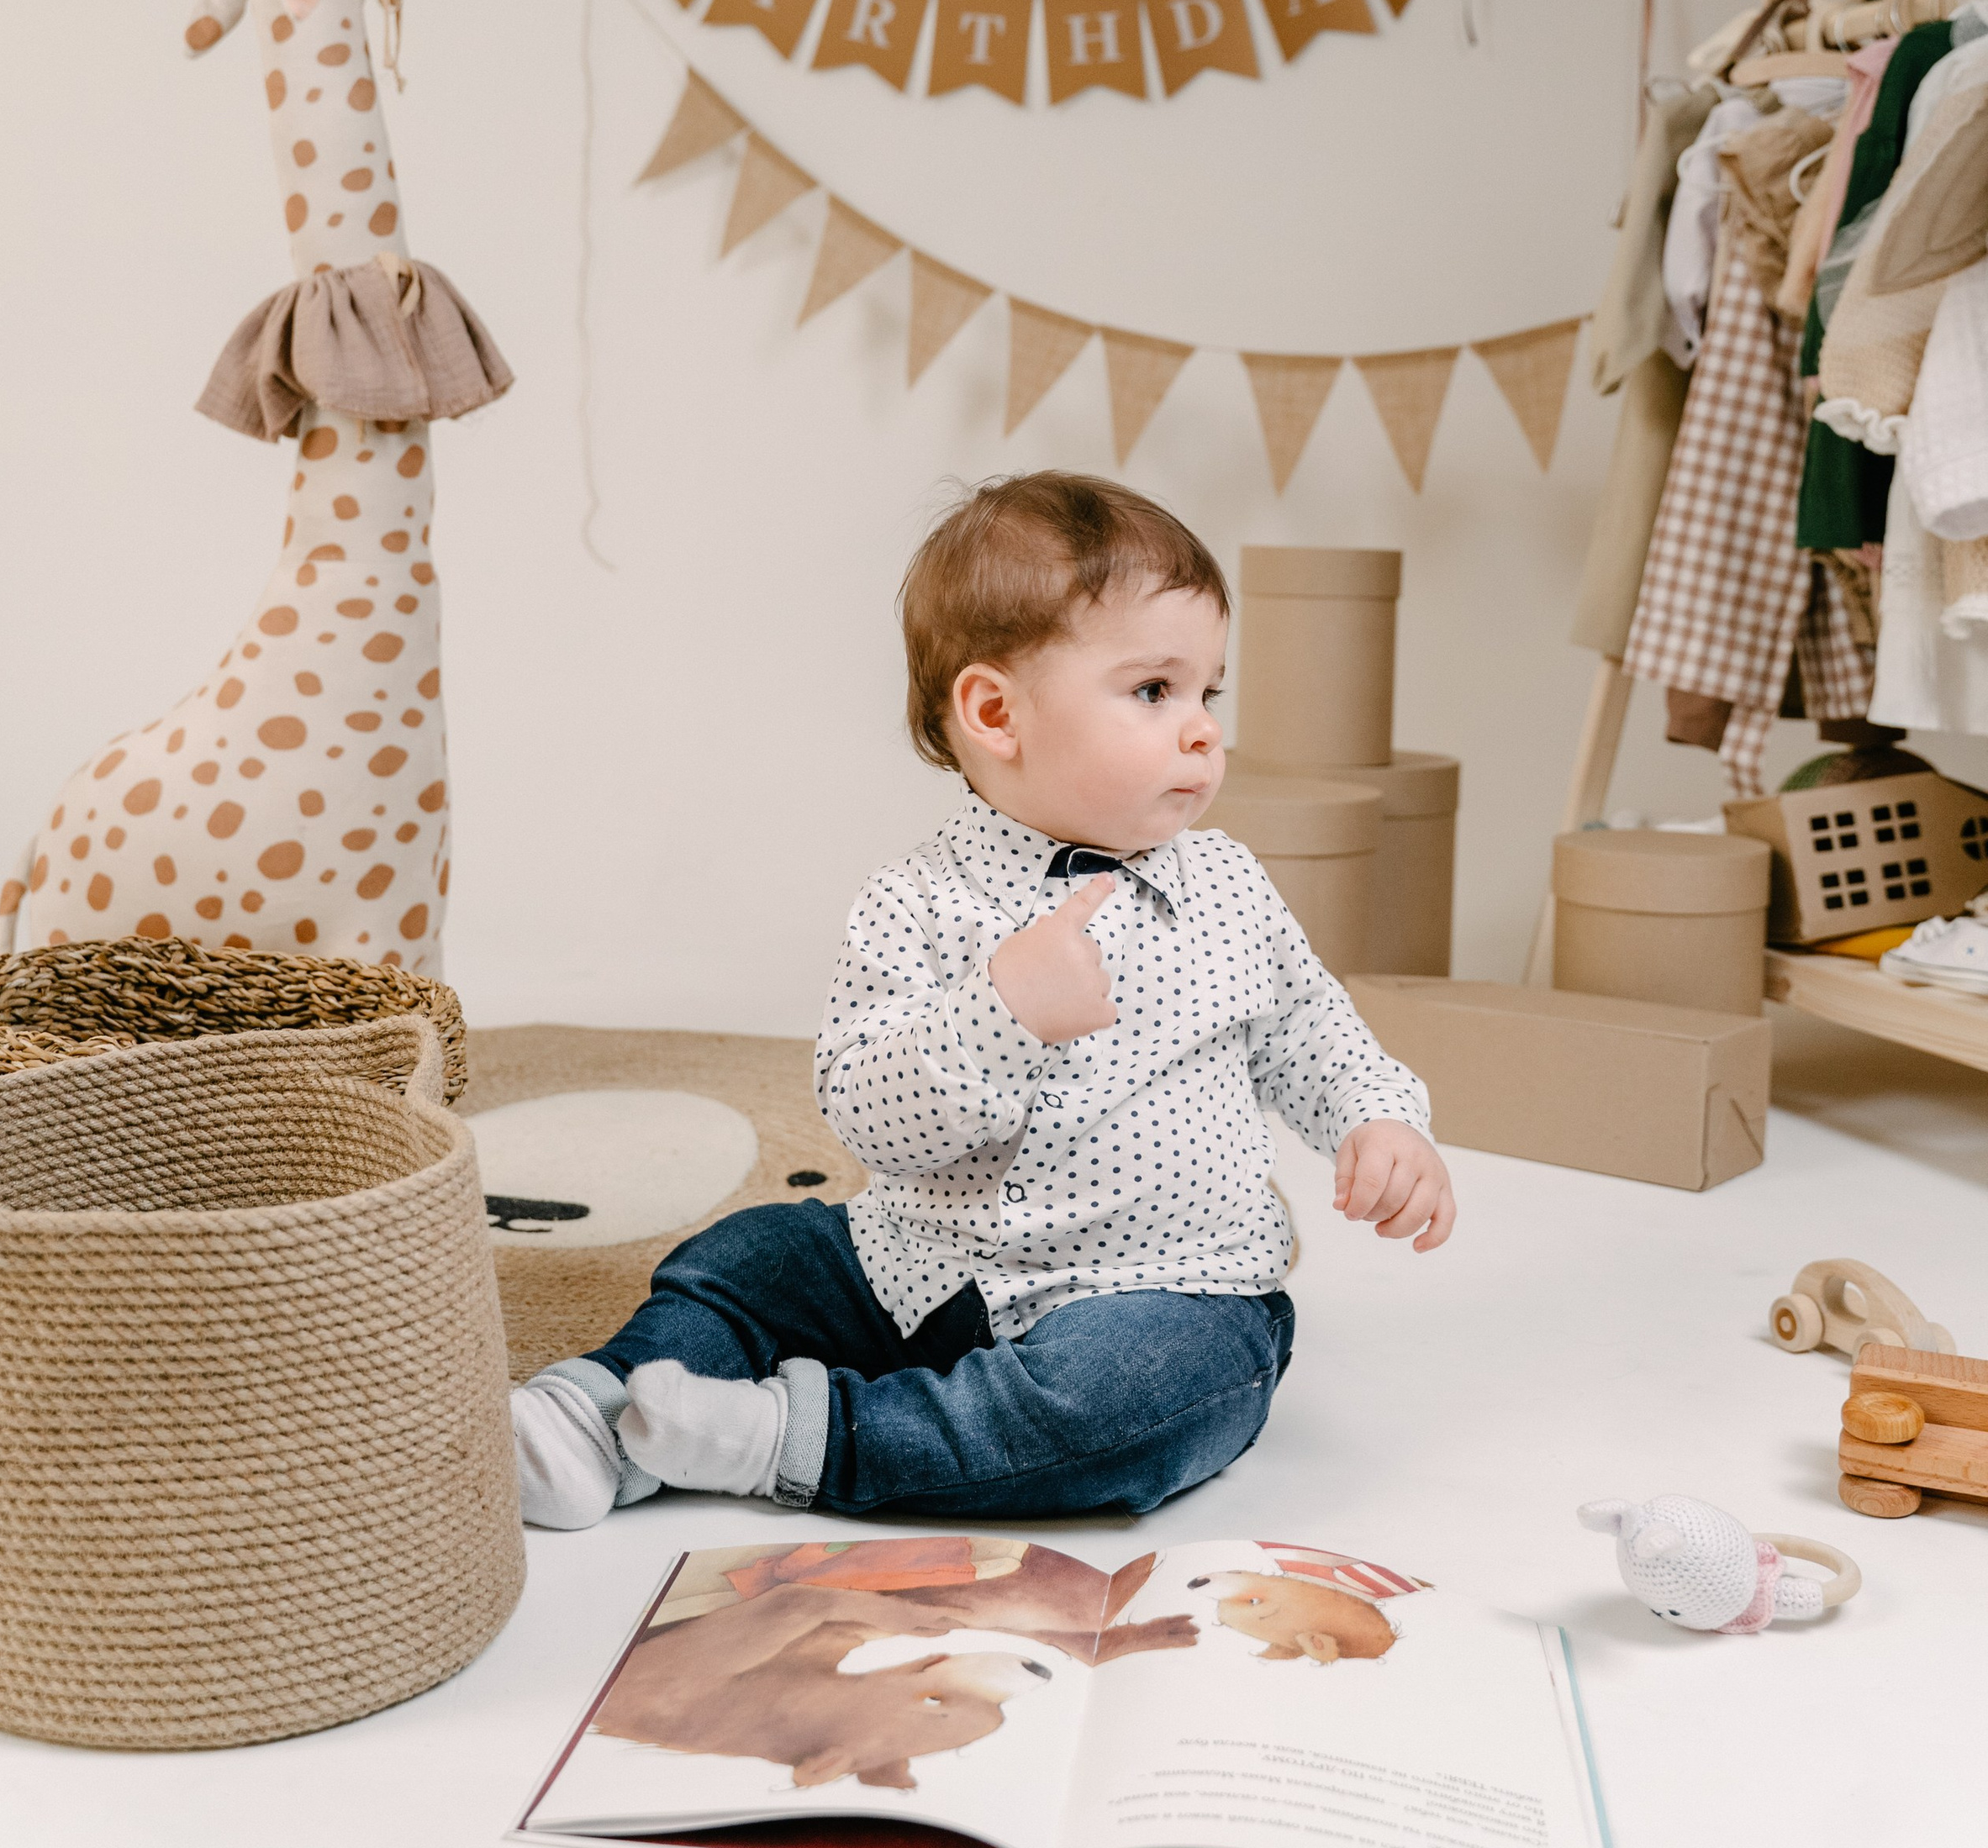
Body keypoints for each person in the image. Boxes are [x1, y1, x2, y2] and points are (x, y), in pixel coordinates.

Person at [512, 471, 1453, 1530]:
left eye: (1207, 693)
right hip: (920, 1265)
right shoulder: (915, 902)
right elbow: (864, 1111)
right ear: (996, 712)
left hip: (1156, 1289)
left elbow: (1307, 1026)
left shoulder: (1226, 884)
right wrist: (995, 1017)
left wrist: (1378, 1117)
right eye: (1154, 692)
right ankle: (600, 1412)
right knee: (750, 1258)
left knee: (1160, 1397)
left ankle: (785, 1438)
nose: (1200, 731)